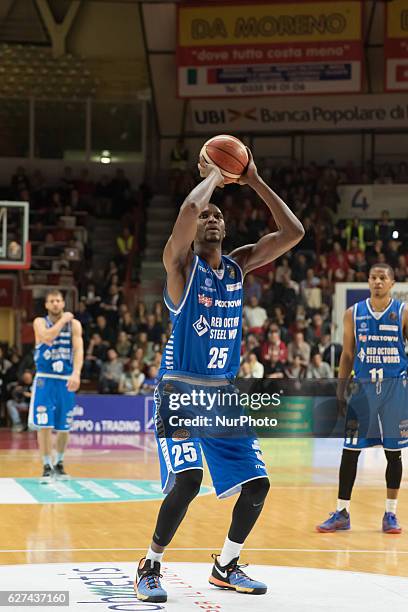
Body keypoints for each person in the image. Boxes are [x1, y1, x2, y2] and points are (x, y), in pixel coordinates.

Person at [134, 148, 304, 602]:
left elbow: (294, 232)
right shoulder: (180, 267)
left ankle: (226, 565)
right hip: (180, 391)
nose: (210, 218)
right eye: (205, 216)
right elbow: (190, 208)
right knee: (189, 481)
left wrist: (252, 179)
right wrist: (213, 174)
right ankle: (150, 565)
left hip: (222, 394)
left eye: (218, 216)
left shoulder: (238, 266)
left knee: (258, 484)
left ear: (226, 229)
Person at [317, 264, 408, 534]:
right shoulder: (352, 314)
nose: (378, 282)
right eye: (373, 278)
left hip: (394, 390)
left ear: (392, 283)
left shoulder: (403, 312)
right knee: (350, 451)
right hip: (362, 390)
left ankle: (390, 514)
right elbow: (347, 355)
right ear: (368, 281)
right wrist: (340, 388)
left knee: (394, 454)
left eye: (383, 278)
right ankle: (342, 512)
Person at [30, 290, 83, 482]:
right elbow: (46, 337)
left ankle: (59, 464)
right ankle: (46, 465)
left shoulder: (75, 325)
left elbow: (78, 350)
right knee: (44, 425)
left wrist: (76, 373)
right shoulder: (39, 322)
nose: (55, 304)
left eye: (58, 300)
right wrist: (62, 321)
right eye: (51, 301)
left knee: (64, 426)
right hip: (45, 379)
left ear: (63, 303)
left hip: (65, 380)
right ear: (46, 305)